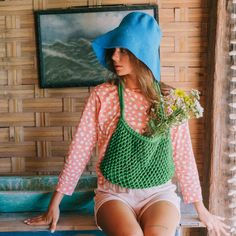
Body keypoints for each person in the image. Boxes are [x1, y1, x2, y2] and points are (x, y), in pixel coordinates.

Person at [24, 12, 230, 236]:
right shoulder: (103, 96)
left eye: (123, 50)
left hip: (159, 195)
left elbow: (183, 155)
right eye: (114, 49)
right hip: (114, 196)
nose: (114, 56)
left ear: (141, 52)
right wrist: (55, 203)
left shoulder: (169, 101)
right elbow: (79, 151)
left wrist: (200, 208)